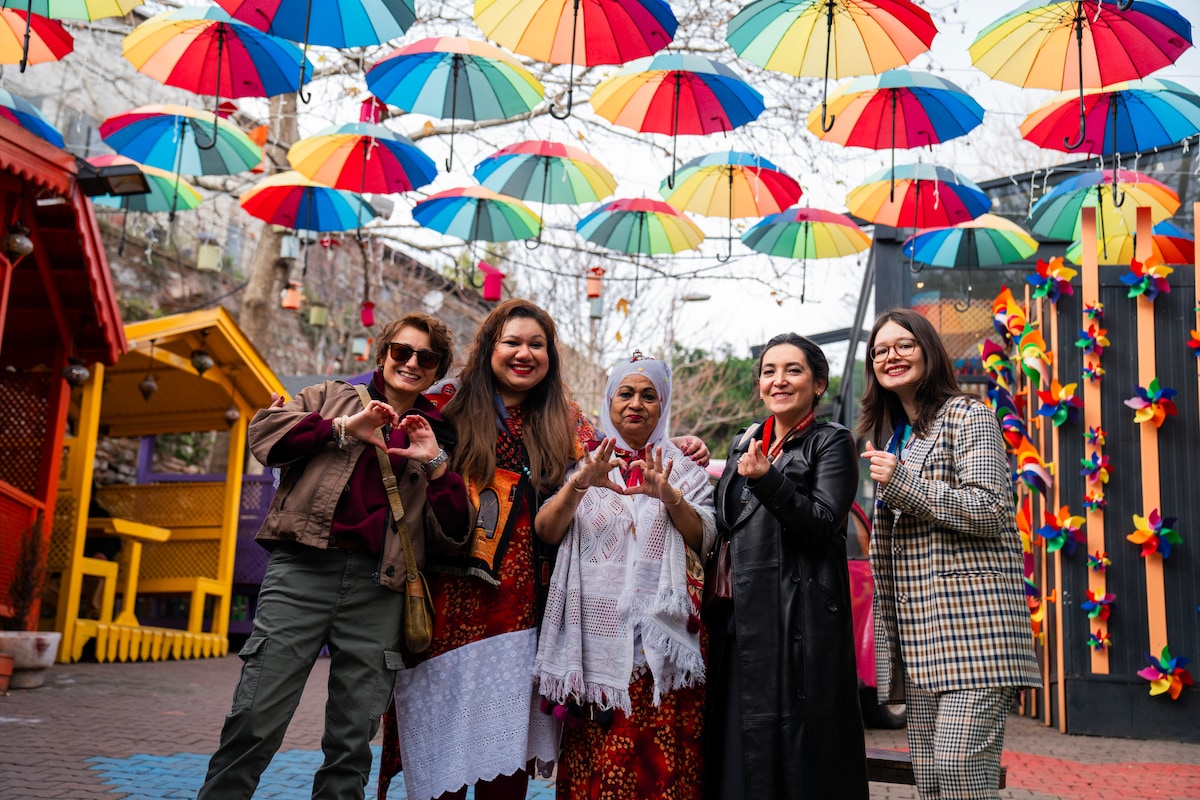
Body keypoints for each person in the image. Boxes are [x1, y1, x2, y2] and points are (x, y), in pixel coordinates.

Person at [379, 301, 710, 800]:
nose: (524, 353)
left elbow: (621, 446)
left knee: (503, 765)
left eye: (536, 344)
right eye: (512, 341)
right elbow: (391, 403)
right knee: (442, 758)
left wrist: (679, 442)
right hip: (447, 607)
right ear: (491, 345)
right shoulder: (446, 403)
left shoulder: (565, 420)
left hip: (522, 612)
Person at [198, 312, 470, 800]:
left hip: (381, 588)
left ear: (437, 370)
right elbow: (265, 438)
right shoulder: (329, 396)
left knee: (351, 741)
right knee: (256, 717)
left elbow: (454, 532)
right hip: (303, 570)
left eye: (425, 358)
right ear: (384, 351)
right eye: (401, 351)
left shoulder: (440, 432)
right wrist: (343, 428)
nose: (410, 364)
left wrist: (434, 465)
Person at [859, 308, 1040, 800]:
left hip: (974, 635)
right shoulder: (901, 437)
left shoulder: (969, 415)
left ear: (929, 350)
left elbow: (987, 508)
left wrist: (900, 483)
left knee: (960, 768)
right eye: (879, 350)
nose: (890, 356)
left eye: (903, 345)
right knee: (934, 782)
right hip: (920, 644)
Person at [534, 352, 715, 800]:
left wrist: (671, 498)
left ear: (663, 404)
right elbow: (547, 532)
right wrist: (580, 485)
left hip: (662, 656)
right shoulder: (581, 461)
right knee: (596, 774)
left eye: (648, 395)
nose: (636, 404)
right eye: (625, 393)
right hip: (594, 653)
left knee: (663, 773)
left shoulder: (685, 469)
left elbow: (706, 539)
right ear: (610, 401)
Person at [703, 332, 868, 800]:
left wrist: (768, 479)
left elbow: (820, 525)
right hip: (741, 619)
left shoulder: (831, 442)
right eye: (769, 371)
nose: (779, 380)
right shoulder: (744, 442)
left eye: (793, 371)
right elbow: (726, 524)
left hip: (800, 623)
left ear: (818, 384)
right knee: (739, 757)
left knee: (799, 762)